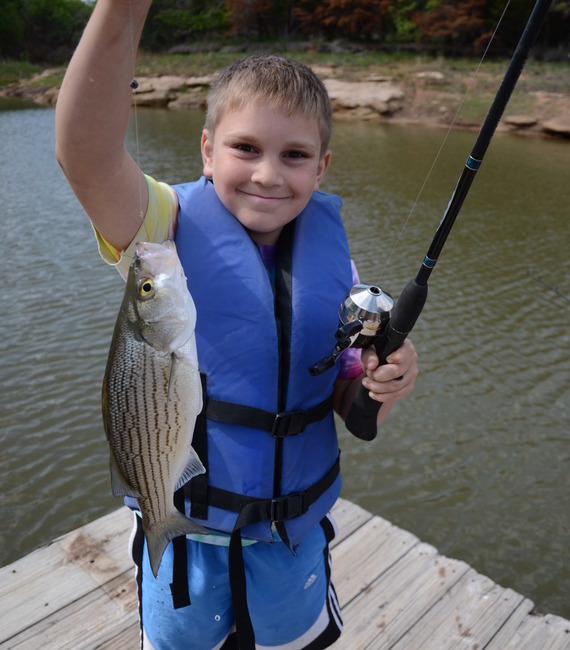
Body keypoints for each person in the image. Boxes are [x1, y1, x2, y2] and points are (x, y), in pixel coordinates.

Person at [56, 2, 418, 648]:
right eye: (245, 148)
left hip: (290, 540)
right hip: (189, 535)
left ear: (322, 167)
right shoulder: (161, 232)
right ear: (206, 149)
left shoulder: (336, 265)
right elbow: (84, 153)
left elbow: (350, 404)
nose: (268, 174)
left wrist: (382, 384)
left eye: (295, 155)